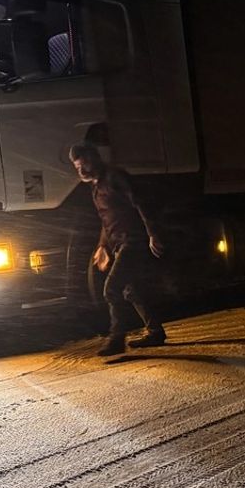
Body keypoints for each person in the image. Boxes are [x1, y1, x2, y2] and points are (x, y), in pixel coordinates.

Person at [69, 143, 167, 356]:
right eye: (77, 167)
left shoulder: (115, 177)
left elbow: (141, 204)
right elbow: (106, 220)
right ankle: (155, 332)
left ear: (93, 158)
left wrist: (153, 234)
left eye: (83, 164)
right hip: (117, 244)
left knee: (111, 289)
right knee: (132, 290)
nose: (81, 170)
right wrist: (102, 246)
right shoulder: (95, 187)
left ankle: (116, 339)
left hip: (133, 241)